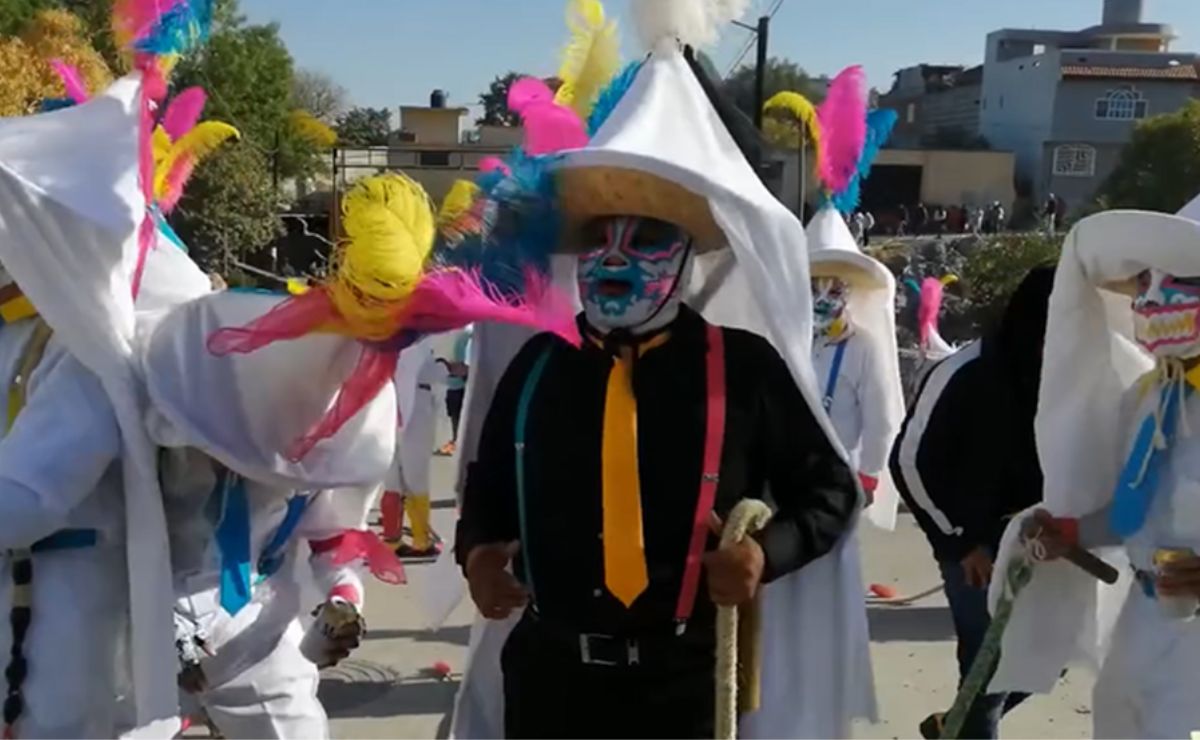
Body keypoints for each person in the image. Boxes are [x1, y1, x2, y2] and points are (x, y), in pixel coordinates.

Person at [453, 14, 871, 739]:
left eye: (646, 240)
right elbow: (489, 488)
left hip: (683, 689)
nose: (614, 259)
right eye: (597, 239)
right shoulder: (538, 363)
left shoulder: (743, 368)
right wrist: (477, 554)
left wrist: (761, 555)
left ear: (686, 256)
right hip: (549, 683)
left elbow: (829, 490)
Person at [989, 204, 1200, 739]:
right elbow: (1135, 508)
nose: (1152, 299)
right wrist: (1070, 533)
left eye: (1177, 280)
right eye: (1144, 281)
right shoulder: (1149, 397)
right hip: (1145, 614)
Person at [889, 266, 1055, 739]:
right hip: (972, 552)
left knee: (1054, 658)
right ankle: (970, 723)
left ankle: (955, 724)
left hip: (1042, 547)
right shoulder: (964, 372)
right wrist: (962, 541)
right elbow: (908, 462)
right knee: (987, 675)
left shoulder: (1066, 374)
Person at [383, 338, 448, 557]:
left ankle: (391, 539)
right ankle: (421, 540)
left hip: (389, 405)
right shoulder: (416, 345)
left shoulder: (385, 341)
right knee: (416, 477)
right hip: (416, 407)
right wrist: (448, 368)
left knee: (392, 479)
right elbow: (430, 372)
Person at [437, 326, 473, 456]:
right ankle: (455, 441)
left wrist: (468, 369)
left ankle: (458, 442)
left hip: (462, 377)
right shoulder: (455, 330)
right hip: (454, 380)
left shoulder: (469, 330)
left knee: (460, 411)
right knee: (454, 410)